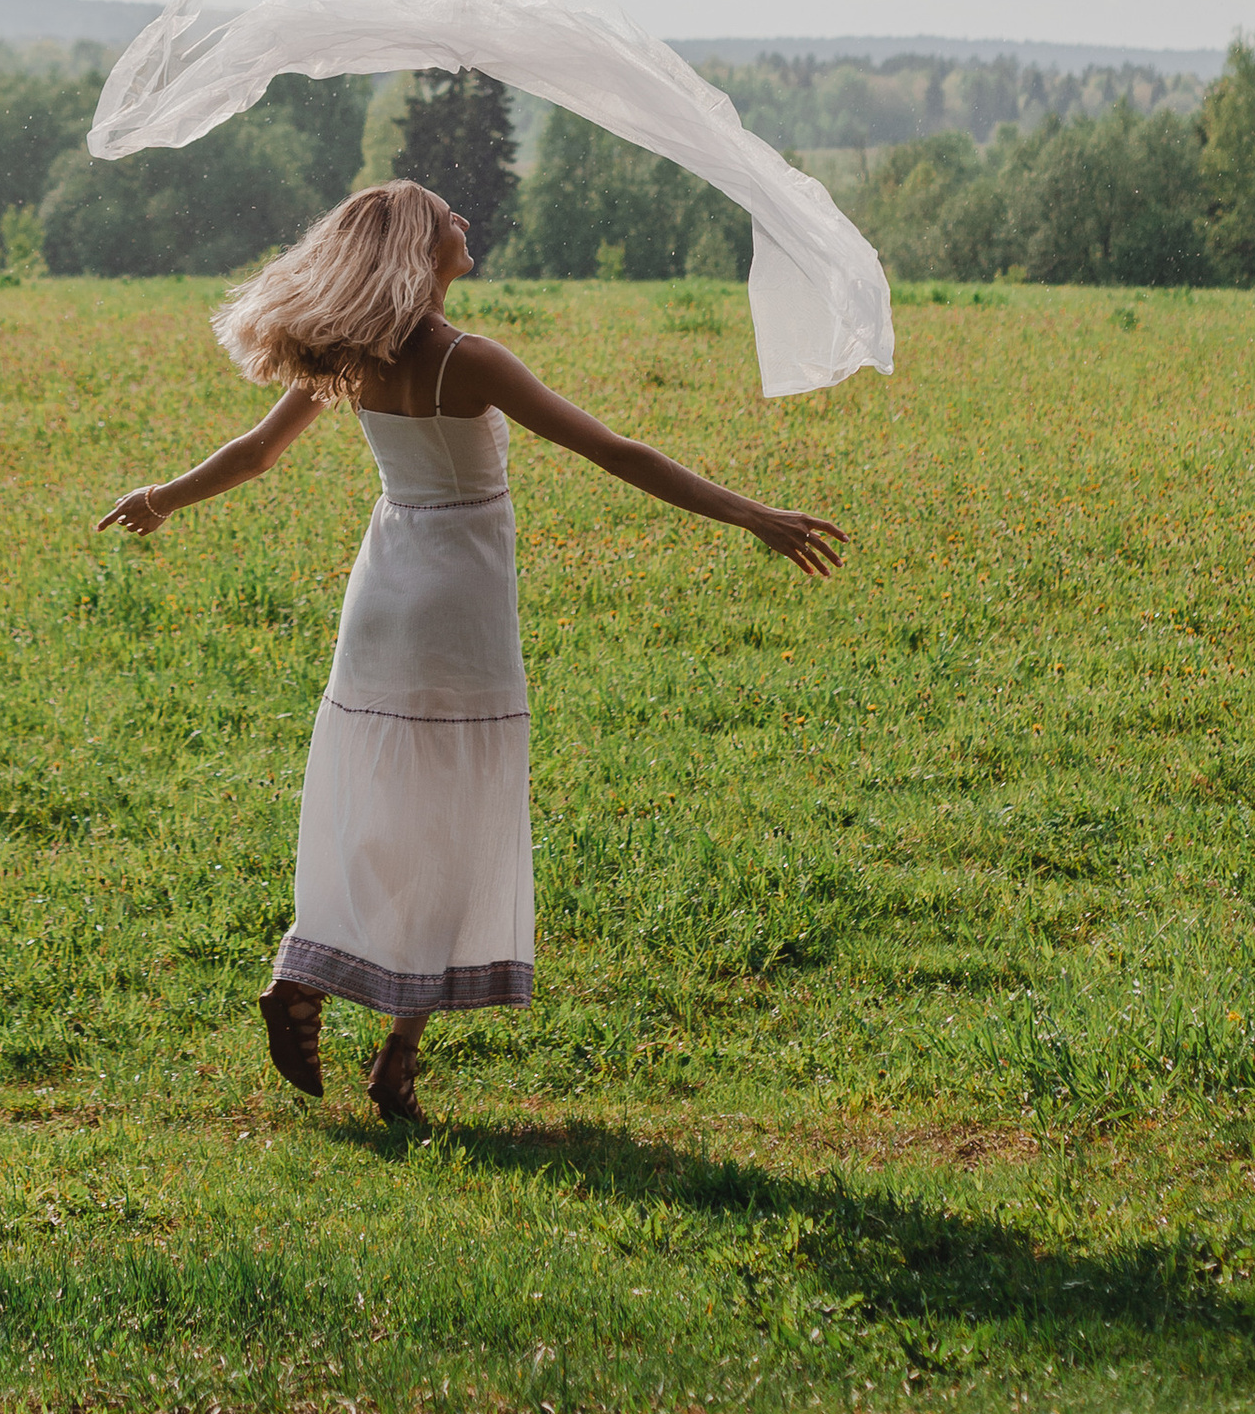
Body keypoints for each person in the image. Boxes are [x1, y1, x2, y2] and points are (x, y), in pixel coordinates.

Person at [100, 176, 846, 1124]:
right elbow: (616, 452)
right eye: (445, 215)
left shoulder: (353, 354)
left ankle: (327, 997)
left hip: (384, 588)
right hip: (457, 601)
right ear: (421, 249)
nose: (463, 218)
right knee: (455, 813)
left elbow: (255, 454)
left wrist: (158, 499)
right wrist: (752, 515)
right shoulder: (469, 358)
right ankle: (378, 1041)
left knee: (380, 797)